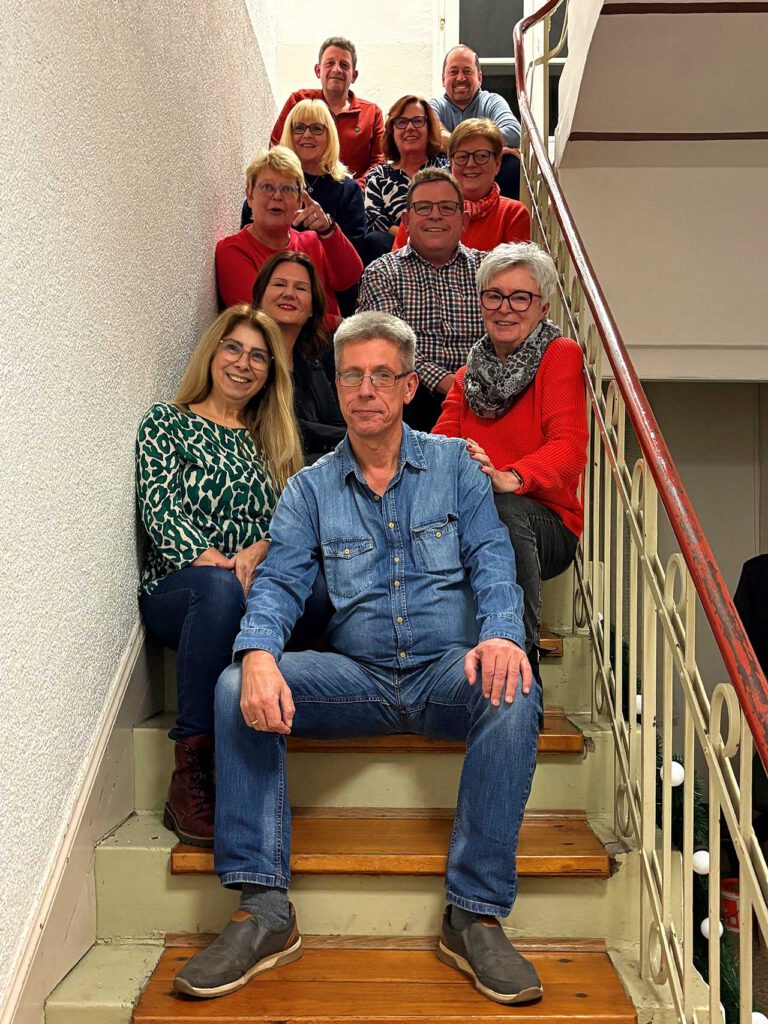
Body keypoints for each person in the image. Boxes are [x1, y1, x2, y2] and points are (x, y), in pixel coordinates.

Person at [174, 311, 544, 1008]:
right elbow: (279, 584)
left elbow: (494, 560)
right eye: (351, 376)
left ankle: (474, 915)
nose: (365, 389)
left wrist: (501, 635)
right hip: (359, 680)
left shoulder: (455, 469)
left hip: (445, 673)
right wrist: (258, 651)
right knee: (232, 686)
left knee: (513, 689)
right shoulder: (309, 489)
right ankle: (264, 909)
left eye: (381, 375)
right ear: (338, 386)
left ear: (408, 387)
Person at [136, 305, 303, 848]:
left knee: (320, 589)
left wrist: (263, 547)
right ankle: (191, 773)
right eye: (233, 348)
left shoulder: (273, 440)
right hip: (185, 591)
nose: (243, 363)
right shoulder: (167, 422)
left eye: (258, 356)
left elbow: (293, 524)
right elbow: (161, 513)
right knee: (217, 590)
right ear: (212, 352)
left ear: (270, 373)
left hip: (256, 594)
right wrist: (220, 564)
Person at [434, 242, 588, 664]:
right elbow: (442, 446)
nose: (505, 308)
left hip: (546, 522)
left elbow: (569, 448)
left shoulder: (560, 355)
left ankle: (521, 661)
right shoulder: (468, 375)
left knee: (502, 508)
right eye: (494, 296)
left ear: (543, 307)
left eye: (520, 297)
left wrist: (511, 477)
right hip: (476, 515)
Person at [357, 167, 484, 431]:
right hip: (411, 400)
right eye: (424, 207)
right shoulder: (382, 272)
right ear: (406, 220)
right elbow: (391, 347)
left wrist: (477, 385)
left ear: (464, 221)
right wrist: (452, 384)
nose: (435, 215)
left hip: (483, 392)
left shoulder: (489, 270)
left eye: (446, 208)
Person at [215, 147, 363, 321]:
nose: (277, 196)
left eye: (287, 189)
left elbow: (349, 278)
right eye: (267, 187)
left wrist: (328, 230)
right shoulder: (233, 250)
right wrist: (334, 323)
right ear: (250, 196)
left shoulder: (313, 241)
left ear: (300, 200)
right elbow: (259, 319)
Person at [252, 251, 346, 462]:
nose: (289, 293)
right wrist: (356, 442)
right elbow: (277, 428)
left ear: (313, 307)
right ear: (259, 298)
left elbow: (336, 422)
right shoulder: (249, 358)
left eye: (301, 288)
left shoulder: (312, 359)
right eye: (279, 284)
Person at [242, 100, 366, 257]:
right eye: (299, 128)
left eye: (316, 128)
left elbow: (354, 258)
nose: (307, 135)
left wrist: (328, 229)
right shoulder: (268, 183)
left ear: (330, 136)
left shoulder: (348, 190)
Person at [392, 119, 530, 252]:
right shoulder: (419, 208)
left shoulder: (513, 214)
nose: (471, 164)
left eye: (481, 156)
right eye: (462, 156)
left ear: (498, 164)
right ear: (451, 163)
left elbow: (515, 267)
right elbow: (397, 263)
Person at [270, 36, 385, 184]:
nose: (336, 69)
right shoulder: (298, 101)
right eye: (330, 63)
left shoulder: (372, 113)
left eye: (344, 65)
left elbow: (379, 163)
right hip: (300, 190)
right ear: (318, 70)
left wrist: (354, 191)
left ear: (354, 76)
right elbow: (277, 147)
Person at [431, 45, 522, 199]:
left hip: (485, 176)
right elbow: (432, 136)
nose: (460, 78)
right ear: (443, 79)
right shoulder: (434, 105)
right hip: (448, 180)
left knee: (511, 163)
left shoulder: (492, 101)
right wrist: (487, 147)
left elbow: (513, 133)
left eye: (467, 71)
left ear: (479, 78)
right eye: (453, 72)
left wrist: (452, 146)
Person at [363, 94, 446, 260]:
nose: (410, 128)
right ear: (392, 131)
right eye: (401, 122)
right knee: (374, 240)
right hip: (394, 252)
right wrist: (413, 238)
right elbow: (374, 220)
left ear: (429, 127)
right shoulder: (378, 176)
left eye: (418, 121)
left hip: (442, 242)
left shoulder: (447, 170)